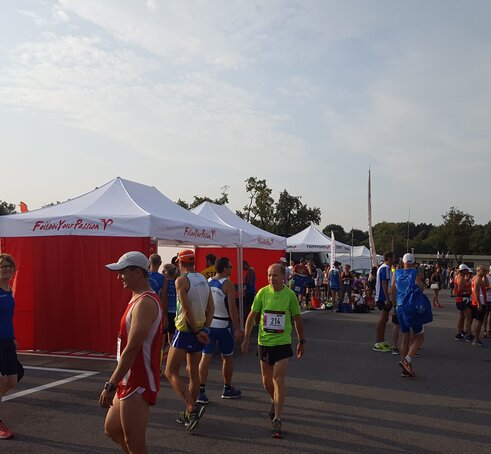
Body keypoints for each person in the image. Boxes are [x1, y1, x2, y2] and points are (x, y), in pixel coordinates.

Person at [101, 251, 163, 453]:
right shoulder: (136, 298)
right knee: (112, 429)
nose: (118, 277)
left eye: (122, 272)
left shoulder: (145, 302)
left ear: (137, 272)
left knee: (134, 441)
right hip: (128, 376)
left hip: (138, 379)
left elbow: (133, 347)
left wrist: (110, 383)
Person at [241, 263, 305, 439]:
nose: (271, 278)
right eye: (269, 275)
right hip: (264, 342)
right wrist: (246, 338)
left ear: (283, 276)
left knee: (278, 378)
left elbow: (298, 320)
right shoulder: (262, 293)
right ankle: (274, 400)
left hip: (282, 343)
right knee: (266, 382)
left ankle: (277, 418)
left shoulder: (290, 295)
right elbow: (251, 316)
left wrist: (301, 340)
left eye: (274, 275)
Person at [164, 249, 214, 432]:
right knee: (192, 372)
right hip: (200, 328)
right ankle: (187, 414)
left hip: (185, 330)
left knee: (170, 372)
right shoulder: (203, 279)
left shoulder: (181, 280)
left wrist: (195, 330)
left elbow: (185, 310)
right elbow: (212, 307)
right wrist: (204, 330)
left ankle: (191, 407)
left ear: (179, 263)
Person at [198, 257, 241, 404]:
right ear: (224, 268)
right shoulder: (228, 284)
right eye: (230, 266)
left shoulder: (208, 282)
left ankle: (201, 391)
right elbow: (232, 308)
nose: (231, 269)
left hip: (210, 324)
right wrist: (237, 327)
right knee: (227, 357)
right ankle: (227, 388)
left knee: (206, 357)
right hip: (223, 325)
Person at [391, 253, 426, 378]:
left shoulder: (397, 272)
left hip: (400, 306)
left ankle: (406, 369)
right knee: (419, 337)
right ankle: (407, 360)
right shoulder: (415, 272)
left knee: (405, 337)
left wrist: (394, 306)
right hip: (412, 306)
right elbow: (421, 288)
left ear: (403, 262)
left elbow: (392, 291)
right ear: (413, 262)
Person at [0, 254, 19, 440]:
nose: (7, 269)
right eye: (3, 267)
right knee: (2, 381)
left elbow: (7, 317)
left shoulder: (8, 288)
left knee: (12, 381)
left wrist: (12, 337)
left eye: (9, 267)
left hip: (7, 341)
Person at [373, 252, 394, 352]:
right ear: (389, 258)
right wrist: (387, 298)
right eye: (393, 258)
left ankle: (381, 340)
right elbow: (384, 283)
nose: (394, 260)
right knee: (382, 319)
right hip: (383, 297)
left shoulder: (384, 268)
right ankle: (378, 342)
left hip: (383, 297)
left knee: (385, 319)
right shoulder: (385, 268)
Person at [454, 264, 473, 341]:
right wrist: (469, 289)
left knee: (461, 317)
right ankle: (468, 334)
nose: (468, 272)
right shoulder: (461, 278)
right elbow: (460, 289)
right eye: (466, 270)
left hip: (460, 299)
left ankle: (459, 333)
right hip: (463, 299)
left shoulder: (458, 277)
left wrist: (467, 285)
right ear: (463, 271)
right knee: (469, 317)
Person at [161, 263, 178, 347]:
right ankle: (170, 356)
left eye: (163, 271)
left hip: (165, 312)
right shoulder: (177, 282)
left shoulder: (164, 283)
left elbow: (162, 297)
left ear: (166, 272)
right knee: (172, 339)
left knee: (162, 338)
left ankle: (161, 356)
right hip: (175, 312)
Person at [470, 266, 487, 347]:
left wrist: (484, 276)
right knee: (479, 321)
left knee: (477, 321)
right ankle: (476, 340)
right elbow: (476, 292)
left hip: (476, 302)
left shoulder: (476, 278)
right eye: (483, 271)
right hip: (479, 302)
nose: (485, 272)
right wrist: (479, 303)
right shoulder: (477, 279)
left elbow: (486, 284)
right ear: (478, 271)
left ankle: (476, 338)